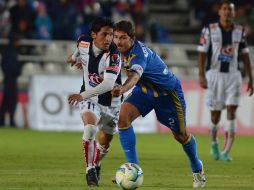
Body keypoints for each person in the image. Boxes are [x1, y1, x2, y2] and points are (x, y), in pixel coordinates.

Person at [112, 20, 206, 188]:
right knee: (123, 119)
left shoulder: (139, 54)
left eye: (123, 38)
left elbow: (134, 77)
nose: (119, 41)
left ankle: (197, 169)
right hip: (145, 92)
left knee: (181, 136)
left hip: (168, 96)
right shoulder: (118, 49)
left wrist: (123, 89)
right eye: (116, 37)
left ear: (132, 38)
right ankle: (133, 169)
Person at [67, 17, 122, 187]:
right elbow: (78, 48)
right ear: (93, 35)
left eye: (111, 35)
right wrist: (74, 57)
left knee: (104, 143)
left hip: (112, 104)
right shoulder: (83, 41)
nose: (108, 39)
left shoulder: (114, 54)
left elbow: (107, 84)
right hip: (91, 98)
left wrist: (80, 96)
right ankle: (90, 169)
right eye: (104, 34)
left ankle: (97, 163)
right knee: (90, 127)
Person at [197, 0, 253, 162]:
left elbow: (245, 54)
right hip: (214, 75)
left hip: (234, 76)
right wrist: (201, 75)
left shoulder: (240, 31)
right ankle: (214, 142)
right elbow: (201, 53)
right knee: (215, 116)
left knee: (231, 112)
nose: (227, 12)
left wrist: (251, 77)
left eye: (230, 9)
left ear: (234, 13)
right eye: (225, 9)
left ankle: (226, 152)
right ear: (219, 12)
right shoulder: (209, 30)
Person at [0, 35, 22, 127]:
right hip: (10, 80)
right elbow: (11, 67)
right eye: (17, 41)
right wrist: (17, 70)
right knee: (11, 101)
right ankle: (10, 121)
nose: (18, 44)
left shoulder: (8, 52)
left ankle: (3, 120)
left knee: (7, 101)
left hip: (9, 79)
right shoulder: (11, 53)